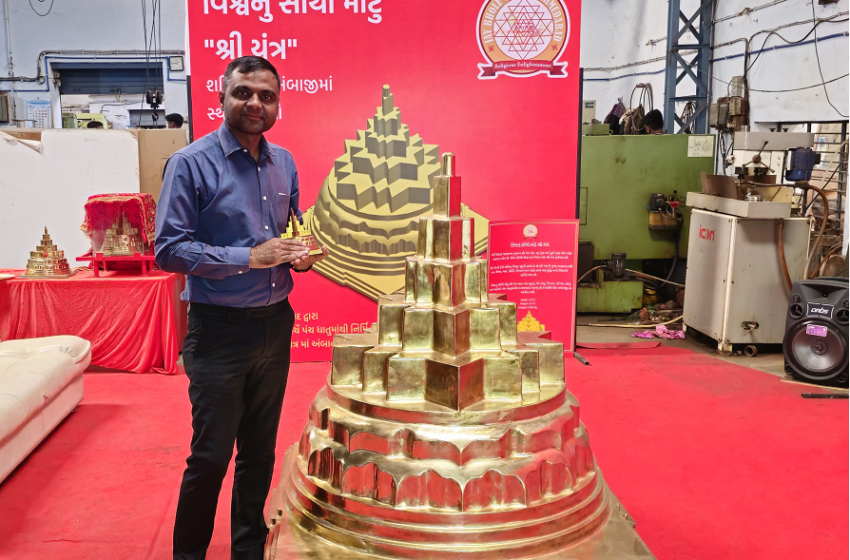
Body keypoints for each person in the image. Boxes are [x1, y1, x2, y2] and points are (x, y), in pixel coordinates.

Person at [155, 55, 328, 560]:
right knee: (209, 457)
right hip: (218, 331)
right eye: (244, 93)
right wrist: (248, 258)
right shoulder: (190, 163)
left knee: (259, 451)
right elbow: (169, 249)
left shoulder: (285, 162)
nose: (255, 103)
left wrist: (301, 255)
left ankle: (247, 550)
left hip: (275, 326)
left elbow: (289, 230)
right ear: (222, 97)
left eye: (266, 96)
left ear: (277, 104)